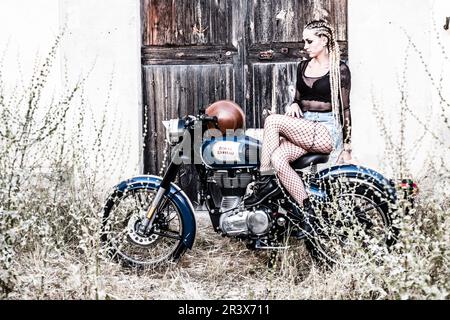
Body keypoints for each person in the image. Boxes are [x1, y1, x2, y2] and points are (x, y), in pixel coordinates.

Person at [245, 20, 353, 217]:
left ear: (324, 39)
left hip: (326, 129)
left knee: (272, 121)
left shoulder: (340, 69)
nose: (305, 46)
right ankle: (306, 211)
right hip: (304, 127)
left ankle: (263, 183)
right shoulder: (302, 66)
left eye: (309, 41)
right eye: (304, 41)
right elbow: (298, 100)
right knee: (278, 158)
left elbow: (345, 108)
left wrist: (347, 146)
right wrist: (294, 104)